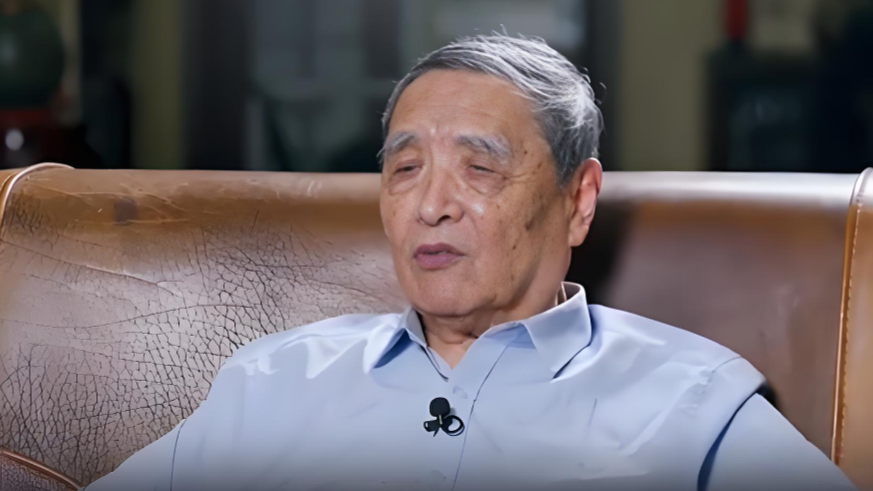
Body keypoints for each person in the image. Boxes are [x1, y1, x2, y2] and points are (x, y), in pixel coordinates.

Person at [87, 34, 855, 491]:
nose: (430, 205)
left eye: (479, 168)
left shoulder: (691, 402)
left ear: (577, 199)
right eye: (404, 168)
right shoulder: (271, 384)